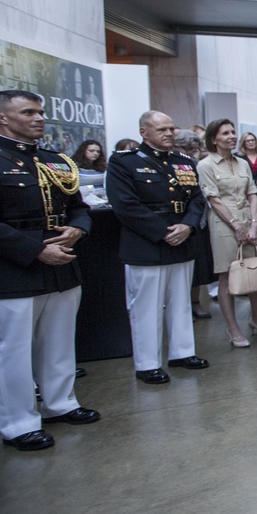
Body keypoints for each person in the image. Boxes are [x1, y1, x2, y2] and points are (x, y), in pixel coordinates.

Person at [0, 90, 99, 451]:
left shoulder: (54, 160)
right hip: (16, 267)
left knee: (58, 339)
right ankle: (18, 423)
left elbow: (78, 206)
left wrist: (80, 228)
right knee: (13, 348)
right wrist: (36, 250)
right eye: (28, 112)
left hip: (63, 261)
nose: (39, 118)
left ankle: (60, 402)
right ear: (2, 118)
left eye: (40, 112)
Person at [106, 110, 209, 385]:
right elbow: (125, 205)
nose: (169, 134)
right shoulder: (123, 162)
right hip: (147, 242)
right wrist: (162, 232)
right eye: (162, 129)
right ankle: (148, 363)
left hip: (182, 237)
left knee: (180, 301)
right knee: (147, 306)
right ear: (144, 132)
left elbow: (197, 199)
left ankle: (182, 352)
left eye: (172, 129)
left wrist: (188, 225)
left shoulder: (183, 162)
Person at [198, 118, 257, 348]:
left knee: (255, 270)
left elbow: (252, 194)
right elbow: (214, 200)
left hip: (248, 220)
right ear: (213, 139)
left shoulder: (242, 163)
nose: (231, 136)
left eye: (232, 132)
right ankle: (233, 329)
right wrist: (236, 226)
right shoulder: (206, 165)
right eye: (225, 133)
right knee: (227, 274)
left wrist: (253, 224)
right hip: (223, 224)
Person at [173, 129, 215, 319]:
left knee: (198, 267)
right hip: (174, 223)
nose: (191, 153)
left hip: (197, 222)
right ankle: (179, 307)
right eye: (188, 149)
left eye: (195, 149)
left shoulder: (195, 165)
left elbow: (199, 197)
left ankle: (195, 302)